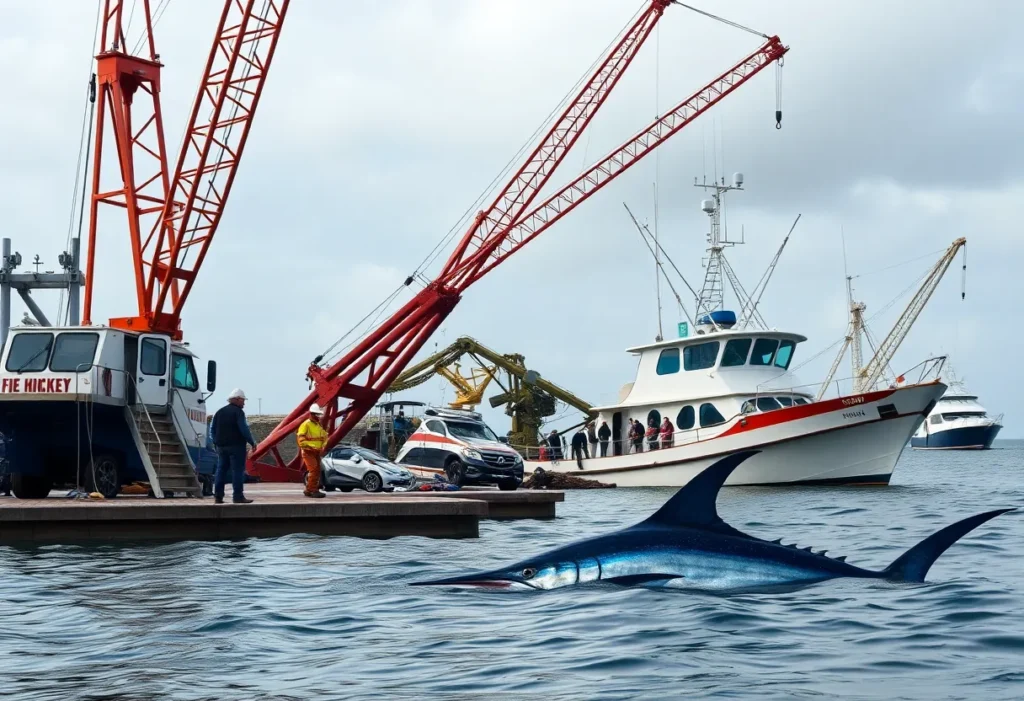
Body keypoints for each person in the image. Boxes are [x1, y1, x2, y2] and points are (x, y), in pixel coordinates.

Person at [210, 388, 257, 504]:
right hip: (236, 447)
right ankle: (238, 496)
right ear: (236, 400)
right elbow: (243, 429)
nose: (244, 403)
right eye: (242, 400)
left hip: (221, 447)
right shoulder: (238, 413)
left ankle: (218, 497)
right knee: (237, 471)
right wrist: (252, 442)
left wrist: (216, 442)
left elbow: (212, 429)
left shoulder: (219, 412)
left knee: (221, 470)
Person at [297, 403, 329, 498]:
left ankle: (309, 490)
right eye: (317, 414)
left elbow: (324, 436)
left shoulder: (318, 425)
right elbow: (301, 440)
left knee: (317, 470)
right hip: (308, 452)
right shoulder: (306, 424)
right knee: (314, 470)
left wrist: (322, 446)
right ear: (312, 414)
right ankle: (313, 490)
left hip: (316, 451)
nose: (318, 416)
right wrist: (311, 446)